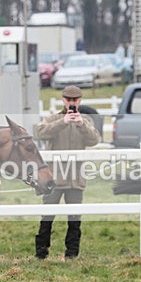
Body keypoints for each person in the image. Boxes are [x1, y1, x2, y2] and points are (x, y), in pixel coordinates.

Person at [33, 85, 101, 259]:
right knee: (47, 215)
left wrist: (80, 124)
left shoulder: (85, 121)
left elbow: (94, 140)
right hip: (54, 177)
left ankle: (72, 254)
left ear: (80, 100)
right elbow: (40, 133)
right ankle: (41, 252)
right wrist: (62, 122)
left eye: (75, 100)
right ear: (63, 100)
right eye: (69, 100)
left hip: (76, 178)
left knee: (75, 218)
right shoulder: (52, 118)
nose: (72, 103)